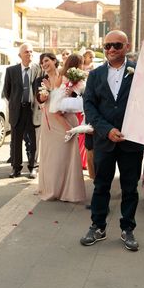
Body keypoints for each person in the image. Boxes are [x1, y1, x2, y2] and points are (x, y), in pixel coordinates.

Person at [81, 30, 144, 251]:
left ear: (127, 46)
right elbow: (89, 105)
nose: (110, 50)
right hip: (104, 141)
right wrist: (106, 130)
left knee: (130, 188)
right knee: (101, 186)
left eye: (116, 45)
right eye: (107, 45)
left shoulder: (141, 72)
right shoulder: (96, 75)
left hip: (131, 141)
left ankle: (128, 229)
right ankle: (98, 226)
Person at [35, 52, 86, 202]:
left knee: (67, 156)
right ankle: (52, 189)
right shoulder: (40, 80)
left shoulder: (66, 75)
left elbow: (76, 95)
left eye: (47, 61)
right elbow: (39, 99)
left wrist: (71, 94)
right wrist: (45, 94)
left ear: (54, 61)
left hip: (67, 118)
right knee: (52, 157)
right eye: (42, 62)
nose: (44, 64)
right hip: (50, 122)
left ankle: (68, 191)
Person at [3, 43, 41, 179]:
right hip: (17, 110)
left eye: (31, 52)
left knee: (33, 141)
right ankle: (16, 167)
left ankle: (33, 167)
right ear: (20, 55)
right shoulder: (11, 71)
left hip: (32, 110)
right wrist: (16, 103)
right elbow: (6, 92)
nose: (29, 54)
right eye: (26, 52)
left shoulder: (38, 69)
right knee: (16, 141)